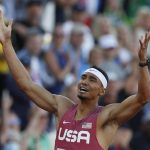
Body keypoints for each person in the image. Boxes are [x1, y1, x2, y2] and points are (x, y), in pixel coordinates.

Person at [1, 11, 150, 150]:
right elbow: (26, 84)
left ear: (102, 90)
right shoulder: (62, 106)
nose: (84, 81)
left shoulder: (106, 116)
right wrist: (7, 44)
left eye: (92, 80)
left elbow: (142, 98)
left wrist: (142, 62)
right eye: (83, 77)